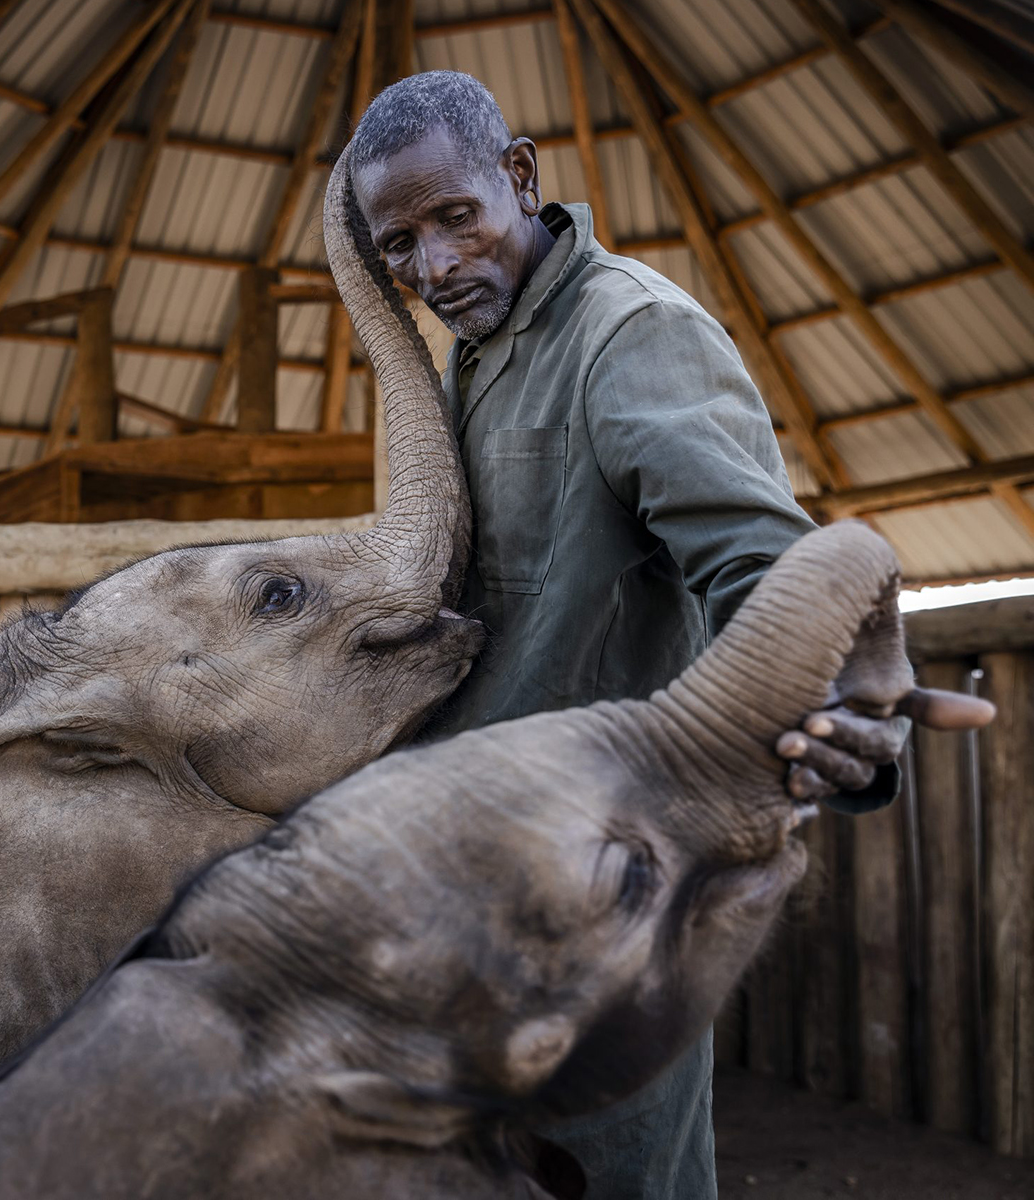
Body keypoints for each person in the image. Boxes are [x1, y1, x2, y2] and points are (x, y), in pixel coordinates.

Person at [347, 70, 956, 1199]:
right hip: (471, 875)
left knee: (610, 1171)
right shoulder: (471, 349)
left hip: (604, 896)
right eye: (397, 244)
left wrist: (837, 715)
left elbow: (764, 573)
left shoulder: (633, 333)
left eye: (456, 218)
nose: (432, 267)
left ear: (518, 177)